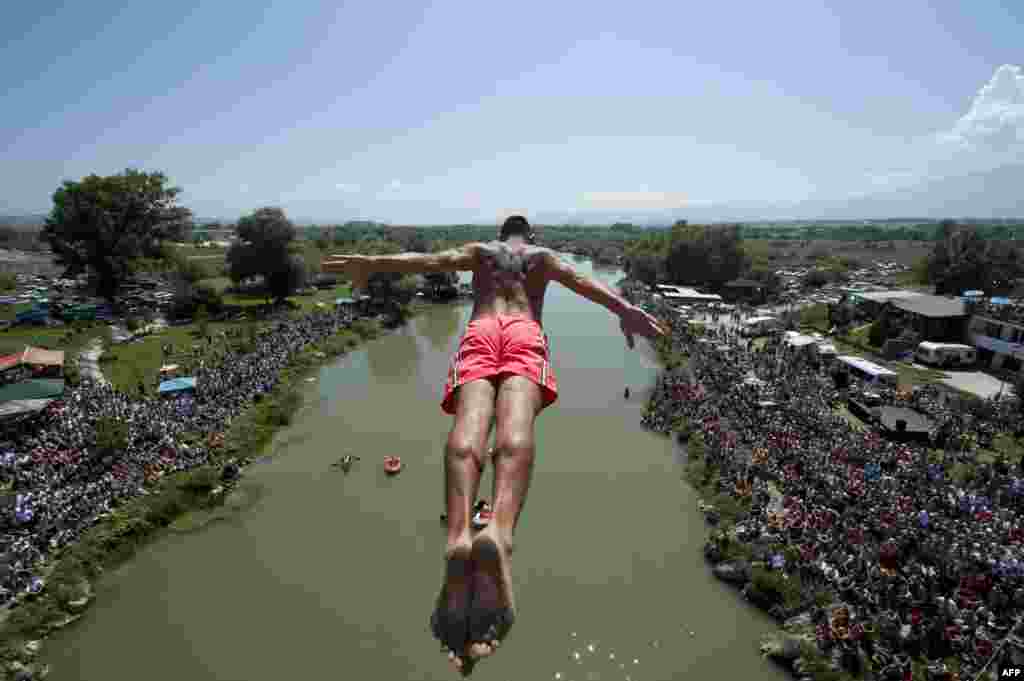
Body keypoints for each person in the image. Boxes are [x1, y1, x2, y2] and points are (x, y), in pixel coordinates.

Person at [322, 216, 666, 674]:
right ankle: (498, 533)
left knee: (468, 428)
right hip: (523, 332)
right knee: (515, 429)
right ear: (530, 236)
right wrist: (623, 309)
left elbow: (429, 260)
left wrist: (372, 262)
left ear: (501, 234)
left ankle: (458, 535)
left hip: (481, 331)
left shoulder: (481, 253)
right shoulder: (542, 259)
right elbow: (583, 282)